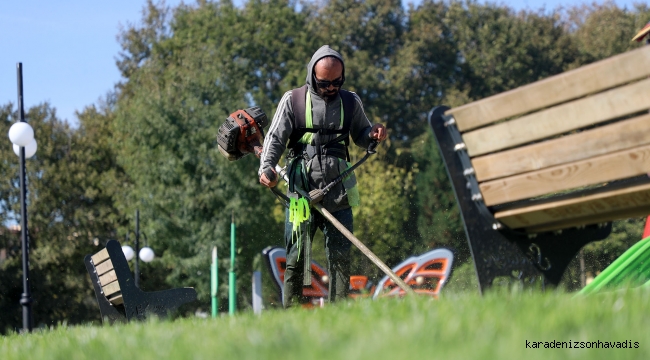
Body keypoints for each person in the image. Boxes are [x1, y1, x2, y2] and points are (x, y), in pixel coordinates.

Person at [259, 45, 387, 307]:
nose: (331, 87)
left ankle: (338, 312)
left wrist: (372, 134)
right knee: (297, 255)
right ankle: (292, 311)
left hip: (339, 189)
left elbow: (362, 135)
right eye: (325, 82)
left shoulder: (351, 102)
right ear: (312, 76)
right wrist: (266, 169)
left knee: (340, 255)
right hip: (300, 190)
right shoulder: (292, 100)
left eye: (337, 82)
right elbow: (274, 140)